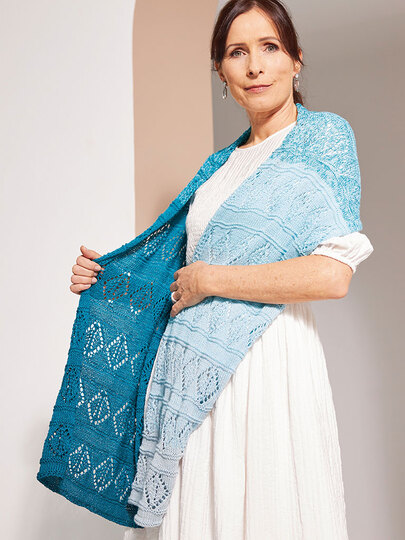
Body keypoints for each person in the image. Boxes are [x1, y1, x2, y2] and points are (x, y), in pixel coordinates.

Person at [70, 1, 373, 538]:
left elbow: (332, 276)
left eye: (269, 47)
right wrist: (107, 279)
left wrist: (213, 280)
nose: (255, 66)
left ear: (296, 59)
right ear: (221, 72)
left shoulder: (323, 140)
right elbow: (173, 275)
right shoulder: (217, 168)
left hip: (269, 364)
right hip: (190, 381)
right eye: (237, 52)